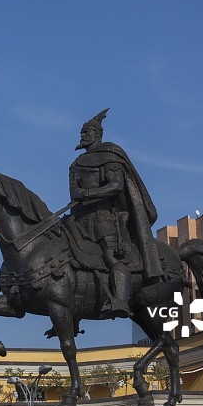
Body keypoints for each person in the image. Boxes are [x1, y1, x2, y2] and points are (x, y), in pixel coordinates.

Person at [69, 108, 163, 318]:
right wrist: (79, 196)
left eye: (87, 132)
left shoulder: (108, 157)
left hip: (103, 216)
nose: (83, 136)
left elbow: (117, 185)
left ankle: (120, 301)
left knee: (112, 257)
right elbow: (74, 193)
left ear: (97, 134)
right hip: (79, 217)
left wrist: (88, 193)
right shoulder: (75, 164)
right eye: (82, 132)